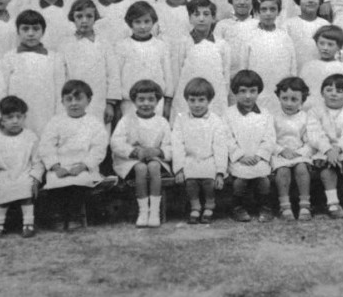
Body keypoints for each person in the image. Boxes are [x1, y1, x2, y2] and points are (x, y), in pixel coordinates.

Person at [39, 80, 109, 231]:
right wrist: (56, 167)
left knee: (79, 182)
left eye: (78, 99)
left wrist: (84, 166)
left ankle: (75, 216)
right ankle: (59, 216)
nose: (74, 103)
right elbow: (46, 146)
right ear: (62, 102)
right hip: (60, 166)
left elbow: (98, 148)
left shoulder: (94, 123)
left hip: (83, 166)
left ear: (88, 100)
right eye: (69, 99)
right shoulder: (56, 121)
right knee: (55, 182)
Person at [111, 80, 172, 228]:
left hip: (154, 159)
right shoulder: (127, 120)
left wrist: (157, 151)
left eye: (151, 99)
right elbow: (116, 142)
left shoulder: (162, 122)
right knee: (141, 168)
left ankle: (154, 211)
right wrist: (134, 152)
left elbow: (170, 146)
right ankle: (143, 211)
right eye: (141, 99)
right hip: (130, 161)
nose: (146, 103)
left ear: (157, 101)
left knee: (153, 166)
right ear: (134, 101)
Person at [171, 78, 228, 225]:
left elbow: (220, 146)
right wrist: (179, 169)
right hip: (189, 159)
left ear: (209, 100)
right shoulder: (181, 119)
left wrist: (220, 171)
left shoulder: (216, 120)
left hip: (209, 159)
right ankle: (195, 206)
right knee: (190, 181)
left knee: (209, 180)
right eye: (192, 100)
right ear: (187, 100)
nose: (196, 104)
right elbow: (177, 144)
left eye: (201, 100)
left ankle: (209, 205)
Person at [308, 74, 343, 218]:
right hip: (322, 149)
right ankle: (333, 203)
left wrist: (337, 148)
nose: (333, 94)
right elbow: (315, 133)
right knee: (327, 167)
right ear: (322, 93)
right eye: (329, 90)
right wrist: (327, 149)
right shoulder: (315, 111)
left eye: (339, 91)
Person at [0, 96, 44, 239]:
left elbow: (37, 161)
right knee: (2, 187)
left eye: (19, 117)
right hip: (4, 173)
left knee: (26, 185)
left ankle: (28, 223)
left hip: (24, 172)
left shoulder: (30, 137)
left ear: (24, 117)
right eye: (10, 117)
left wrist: (35, 179)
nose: (15, 121)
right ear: (2, 120)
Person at [2, 10, 66, 136]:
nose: (30, 33)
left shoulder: (55, 58)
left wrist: (59, 120)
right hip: (16, 116)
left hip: (45, 114)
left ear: (43, 31)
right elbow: (2, 90)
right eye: (25, 29)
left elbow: (60, 92)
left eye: (36, 29)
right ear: (18, 31)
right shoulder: (9, 57)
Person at [225, 70, 276, 223]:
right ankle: (237, 207)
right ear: (235, 92)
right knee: (240, 180)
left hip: (258, 158)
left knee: (263, 179)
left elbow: (269, 138)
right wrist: (240, 156)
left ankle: (265, 207)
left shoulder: (265, 114)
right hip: (238, 159)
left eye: (252, 91)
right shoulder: (228, 114)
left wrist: (259, 155)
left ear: (258, 92)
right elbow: (227, 138)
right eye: (243, 91)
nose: (248, 96)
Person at [59, 0, 121, 126]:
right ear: (72, 18)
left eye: (89, 16)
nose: (84, 21)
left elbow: (113, 74)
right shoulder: (65, 44)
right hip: (73, 100)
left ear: (95, 18)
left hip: (99, 101)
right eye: (79, 17)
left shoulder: (104, 43)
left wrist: (110, 104)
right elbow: (61, 75)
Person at [173, 0, 231, 118]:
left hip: (216, 96)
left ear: (213, 18)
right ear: (190, 18)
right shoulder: (183, 43)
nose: (201, 18)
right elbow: (177, 73)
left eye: (206, 14)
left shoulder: (222, 45)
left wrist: (222, 97)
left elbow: (226, 76)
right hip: (188, 95)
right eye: (196, 14)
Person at [241, 0, 297, 116]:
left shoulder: (285, 37)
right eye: (264, 9)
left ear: (278, 12)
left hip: (280, 91)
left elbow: (292, 67)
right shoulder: (249, 37)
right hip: (257, 91)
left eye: (272, 9)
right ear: (257, 12)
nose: (268, 13)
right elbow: (243, 67)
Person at [115, 1, 174, 118]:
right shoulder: (121, 46)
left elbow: (168, 76)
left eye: (147, 21)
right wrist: (117, 105)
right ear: (130, 23)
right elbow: (116, 76)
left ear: (153, 22)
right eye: (137, 22)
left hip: (156, 103)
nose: (143, 26)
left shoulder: (161, 46)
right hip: (129, 104)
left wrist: (167, 103)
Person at [271, 77, 313, 221]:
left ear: (302, 100)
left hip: (299, 153)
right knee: (282, 171)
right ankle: (285, 206)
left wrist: (300, 153)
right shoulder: (273, 117)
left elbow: (310, 141)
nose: (289, 103)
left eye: (294, 99)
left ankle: (305, 205)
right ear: (279, 97)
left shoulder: (305, 117)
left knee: (302, 169)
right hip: (280, 154)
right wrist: (281, 150)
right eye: (285, 98)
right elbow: (269, 139)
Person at [299, 25, 343, 110]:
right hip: (310, 109)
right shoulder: (308, 66)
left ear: (339, 47)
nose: (325, 48)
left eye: (330, 44)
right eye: (321, 43)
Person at [215, 0, 259, 79]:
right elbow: (216, 54)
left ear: (253, 0)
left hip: (253, 78)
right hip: (228, 77)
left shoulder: (258, 25)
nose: (242, 2)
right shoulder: (222, 25)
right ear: (231, 0)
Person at [286, 0, 330, 71]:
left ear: (320, 1)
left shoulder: (325, 25)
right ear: (298, 1)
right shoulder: (288, 25)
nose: (310, 0)